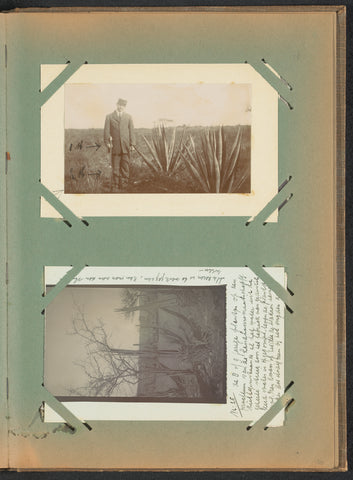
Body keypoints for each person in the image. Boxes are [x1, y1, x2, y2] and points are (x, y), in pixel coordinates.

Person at [104, 98, 136, 192]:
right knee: (115, 167)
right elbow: (106, 131)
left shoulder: (128, 117)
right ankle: (115, 186)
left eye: (123, 105)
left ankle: (125, 185)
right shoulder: (109, 117)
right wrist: (107, 143)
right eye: (119, 105)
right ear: (116, 105)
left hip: (126, 146)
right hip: (115, 147)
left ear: (125, 107)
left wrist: (132, 144)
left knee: (125, 166)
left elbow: (131, 131)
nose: (121, 107)